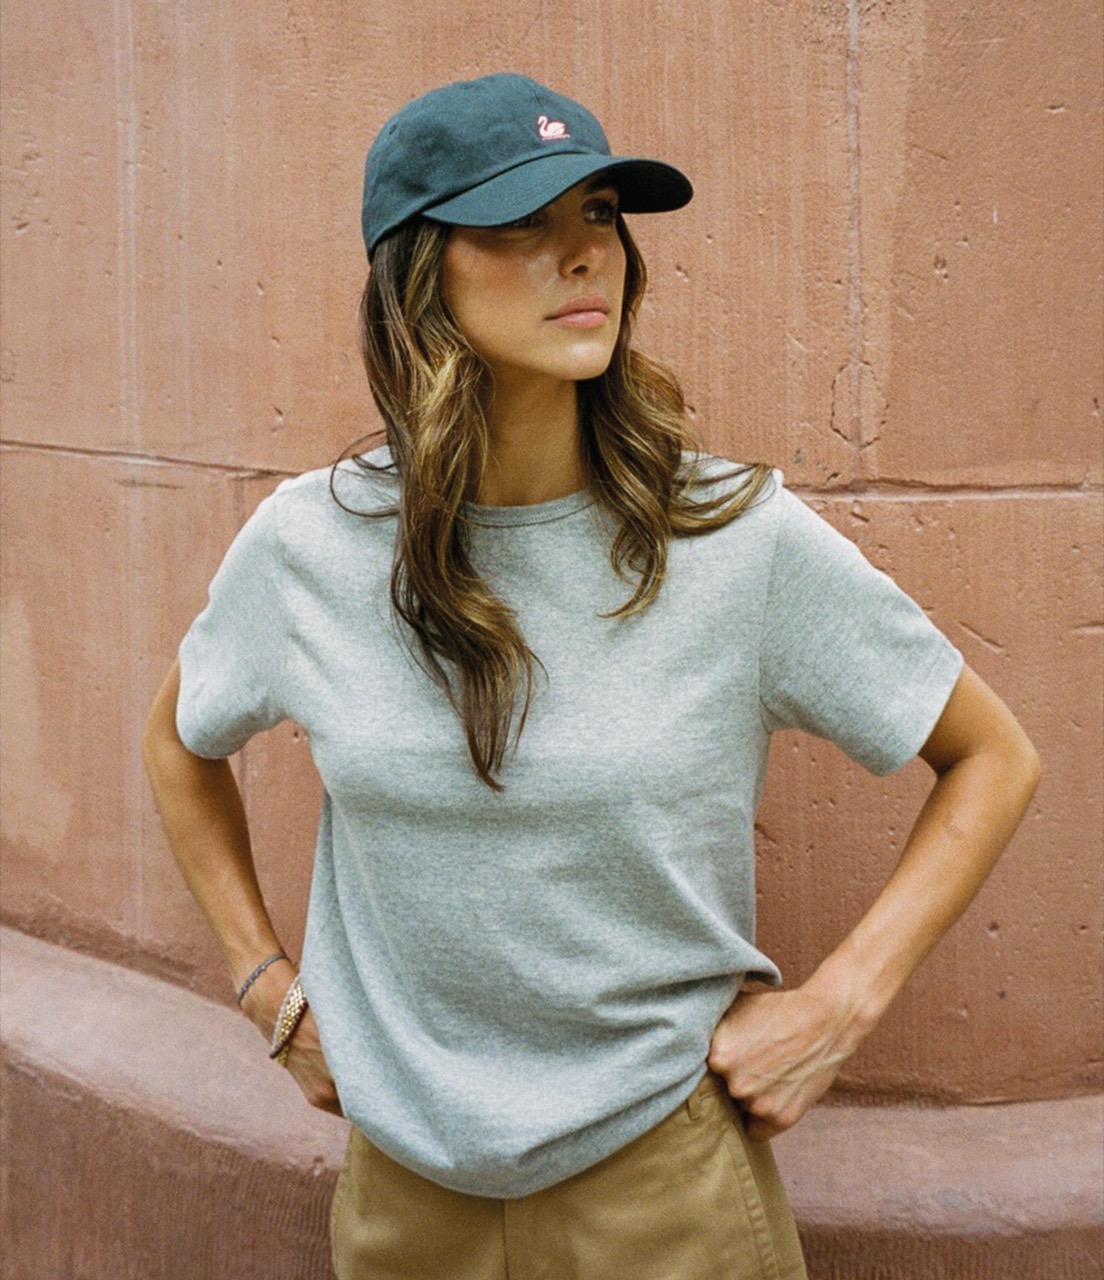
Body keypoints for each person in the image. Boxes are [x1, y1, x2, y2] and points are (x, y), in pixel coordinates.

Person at [143, 72, 1040, 1280]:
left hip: (665, 1189)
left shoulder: (730, 542)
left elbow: (994, 755)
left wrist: (839, 1008)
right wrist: (266, 989)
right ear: (419, 276)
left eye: (601, 215)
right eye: (522, 224)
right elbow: (180, 742)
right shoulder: (311, 547)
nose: (583, 257)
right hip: (403, 1200)